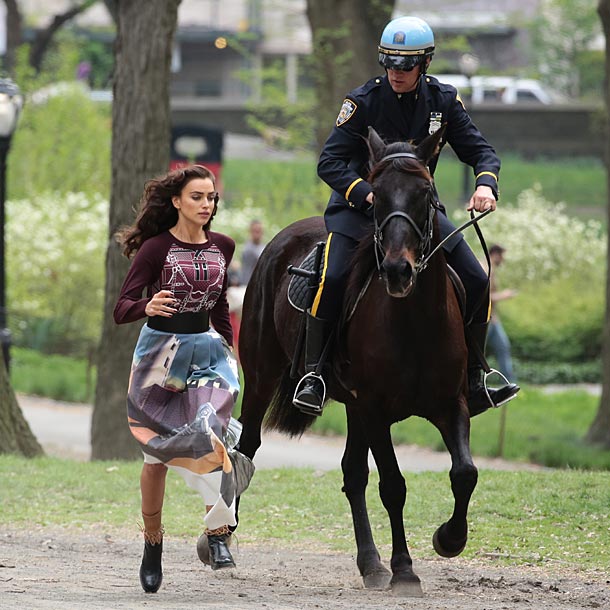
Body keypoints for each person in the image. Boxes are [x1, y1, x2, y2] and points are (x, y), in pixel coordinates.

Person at [293, 15, 519, 416]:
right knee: (334, 276)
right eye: (389, 63)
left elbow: (481, 152)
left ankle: (475, 375)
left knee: (477, 278)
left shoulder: (444, 101)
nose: (396, 72)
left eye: (406, 65)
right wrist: (368, 196)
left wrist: (485, 184)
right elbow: (330, 162)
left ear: (425, 64)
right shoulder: (362, 101)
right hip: (360, 211)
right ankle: (315, 375)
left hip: (417, 216)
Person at [114, 165, 242, 593]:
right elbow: (122, 307)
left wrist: (229, 348)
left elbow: (220, 305)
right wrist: (147, 306)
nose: (206, 205)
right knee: (156, 458)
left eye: (211, 198)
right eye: (197, 197)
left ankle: (218, 534)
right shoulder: (155, 249)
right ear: (176, 202)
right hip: (160, 358)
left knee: (210, 432)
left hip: (208, 354)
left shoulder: (223, 246)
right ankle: (153, 544)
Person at [486, 244, 517, 383]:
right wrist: (505, 294)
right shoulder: (486, 268)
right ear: (495, 254)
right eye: (502, 256)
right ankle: (474, 383)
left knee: (503, 346)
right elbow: (486, 296)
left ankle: (508, 383)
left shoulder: (491, 269)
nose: (503, 260)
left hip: (494, 320)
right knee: (478, 354)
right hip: (486, 320)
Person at [239, 219, 266, 286]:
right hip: (248, 284)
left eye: (259, 231)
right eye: (255, 231)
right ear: (250, 232)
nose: (257, 233)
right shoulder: (247, 249)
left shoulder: (264, 247)